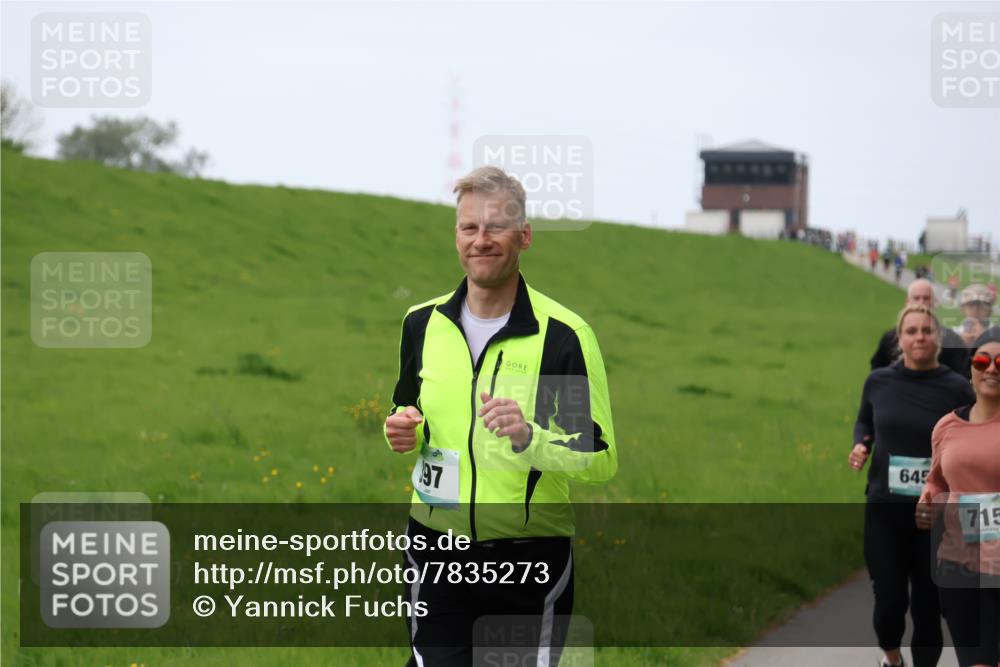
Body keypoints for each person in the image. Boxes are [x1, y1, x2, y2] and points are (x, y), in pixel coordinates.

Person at [383, 165, 617, 666]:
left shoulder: (560, 338)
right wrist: (401, 430)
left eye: (496, 227)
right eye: (469, 227)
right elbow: (408, 410)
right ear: (456, 235)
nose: (481, 240)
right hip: (435, 549)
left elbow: (597, 458)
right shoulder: (423, 324)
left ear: (524, 236)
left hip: (526, 560)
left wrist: (529, 436)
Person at [850, 305, 976, 667]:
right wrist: (862, 444)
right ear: (899, 339)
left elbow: (972, 440)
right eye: (911, 331)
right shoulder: (879, 382)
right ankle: (891, 659)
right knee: (888, 600)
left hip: (935, 515)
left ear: (937, 338)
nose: (919, 337)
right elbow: (864, 422)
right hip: (884, 510)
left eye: (926, 330)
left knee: (927, 606)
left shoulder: (956, 388)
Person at [916, 328, 1000, 667]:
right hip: (959, 564)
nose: (991, 369)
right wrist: (927, 500)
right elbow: (936, 482)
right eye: (982, 360)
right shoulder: (946, 428)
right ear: (971, 369)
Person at [870, 279, 970, 376]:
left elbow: (963, 377)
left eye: (926, 298)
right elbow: (877, 372)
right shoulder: (890, 338)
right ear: (907, 302)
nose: (922, 302)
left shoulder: (952, 341)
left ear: (934, 302)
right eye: (916, 298)